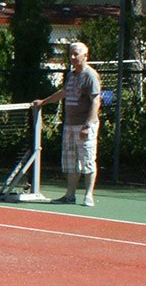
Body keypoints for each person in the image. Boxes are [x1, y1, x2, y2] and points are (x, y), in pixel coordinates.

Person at [33, 40, 101, 206]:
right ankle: (69, 195)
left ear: (85, 56)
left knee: (87, 160)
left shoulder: (91, 76)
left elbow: (95, 102)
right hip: (69, 125)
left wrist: (87, 126)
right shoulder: (71, 75)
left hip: (84, 126)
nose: (72, 57)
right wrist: (43, 101)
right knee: (71, 162)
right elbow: (63, 93)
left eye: (76, 54)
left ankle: (88, 195)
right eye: (70, 54)